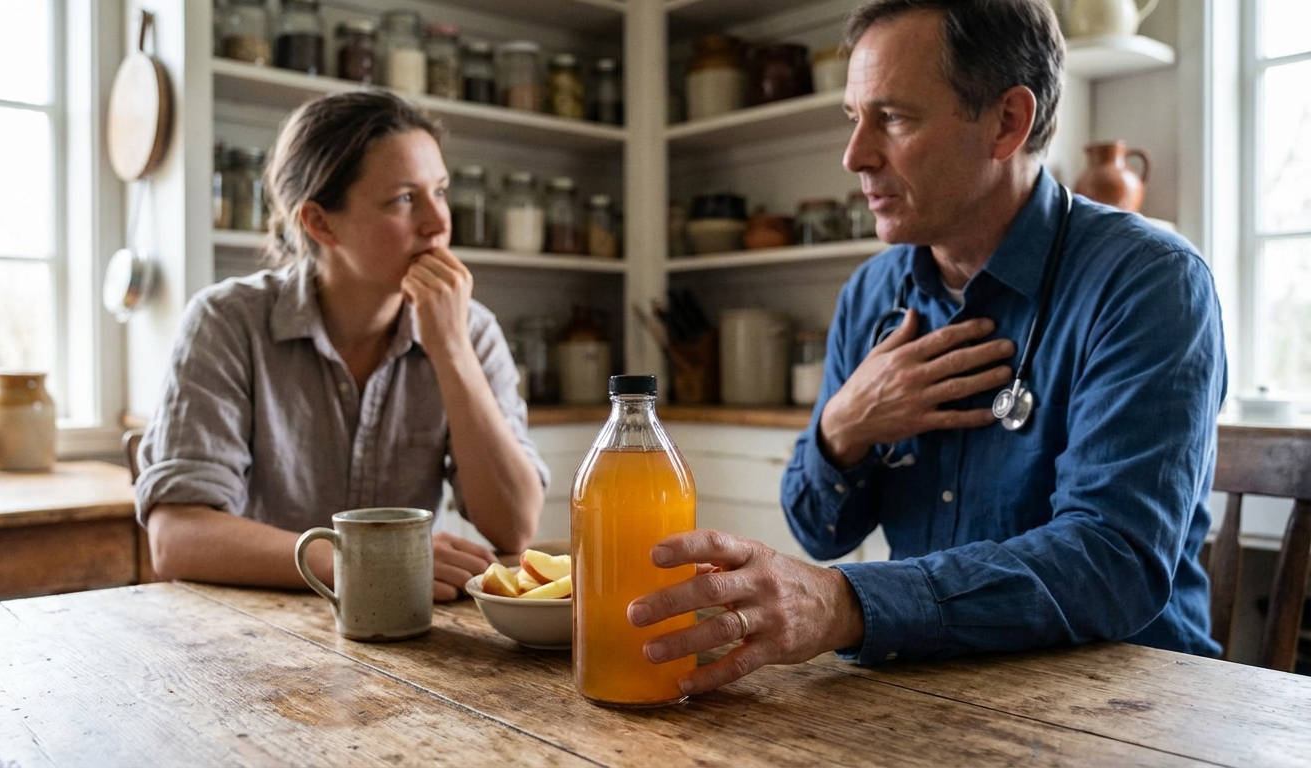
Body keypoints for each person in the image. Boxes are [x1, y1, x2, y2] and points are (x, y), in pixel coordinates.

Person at [626, 0, 1225, 695]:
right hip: (928, 689)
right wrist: (841, 431)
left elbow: (1110, 564)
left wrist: (845, 603)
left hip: (1129, 704)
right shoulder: (872, 293)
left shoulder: (1149, 281)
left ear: (1007, 123)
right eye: (854, 119)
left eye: (894, 118)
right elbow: (819, 531)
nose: (855, 157)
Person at [135, 90, 548, 601]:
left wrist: (452, 351)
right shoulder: (226, 322)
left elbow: (514, 527)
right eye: (404, 199)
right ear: (320, 223)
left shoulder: (471, 329)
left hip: (411, 633)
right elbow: (176, 538)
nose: (439, 223)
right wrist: (362, 561)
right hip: (252, 634)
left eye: (439, 191)